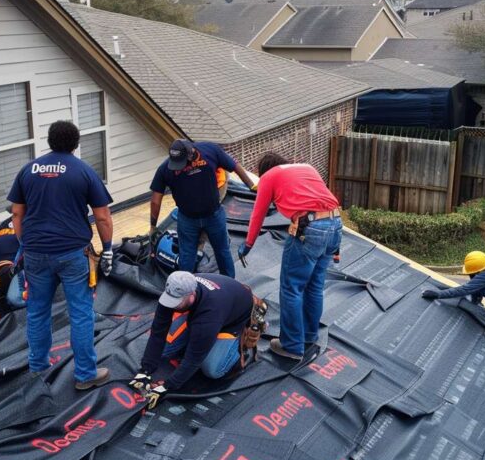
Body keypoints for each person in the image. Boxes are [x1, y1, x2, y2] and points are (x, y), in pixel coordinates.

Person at [8, 120, 114, 390]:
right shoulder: (83, 171)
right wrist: (109, 248)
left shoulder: (28, 170)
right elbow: (102, 216)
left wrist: (24, 243)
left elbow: (17, 212)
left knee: (37, 312)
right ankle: (85, 375)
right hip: (72, 253)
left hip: (35, 253)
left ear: (50, 141)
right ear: (76, 143)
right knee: (80, 313)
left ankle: (38, 368)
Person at [238, 153, 342, 361]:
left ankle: (292, 345)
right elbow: (325, 201)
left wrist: (248, 244)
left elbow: (258, 214)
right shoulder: (307, 167)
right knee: (314, 286)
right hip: (336, 223)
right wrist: (335, 249)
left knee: (291, 289)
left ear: (264, 171)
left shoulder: (269, 177)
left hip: (310, 228)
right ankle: (310, 336)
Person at [130, 271, 261, 407]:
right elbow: (158, 332)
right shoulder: (174, 290)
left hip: (232, 321)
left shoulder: (209, 315)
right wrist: (145, 371)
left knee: (211, 369)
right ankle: (199, 334)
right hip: (211, 309)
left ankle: (235, 346)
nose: (172, 305)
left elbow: (193, 359)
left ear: (192, 294)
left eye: (177, 302)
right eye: (171, 300)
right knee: (164, 350)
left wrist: (167, 387)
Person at [149, 139, 256, 277]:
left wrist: (251, 186)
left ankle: (230, 286)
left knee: (222, 252)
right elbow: (156, 200)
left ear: (191, 153)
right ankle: (185, 290)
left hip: (213, 215)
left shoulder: (210, 151)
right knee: (187, 257)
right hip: (187, 220)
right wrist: (152, 226)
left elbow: (234, 165)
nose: (179, 167)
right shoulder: (165, 168)